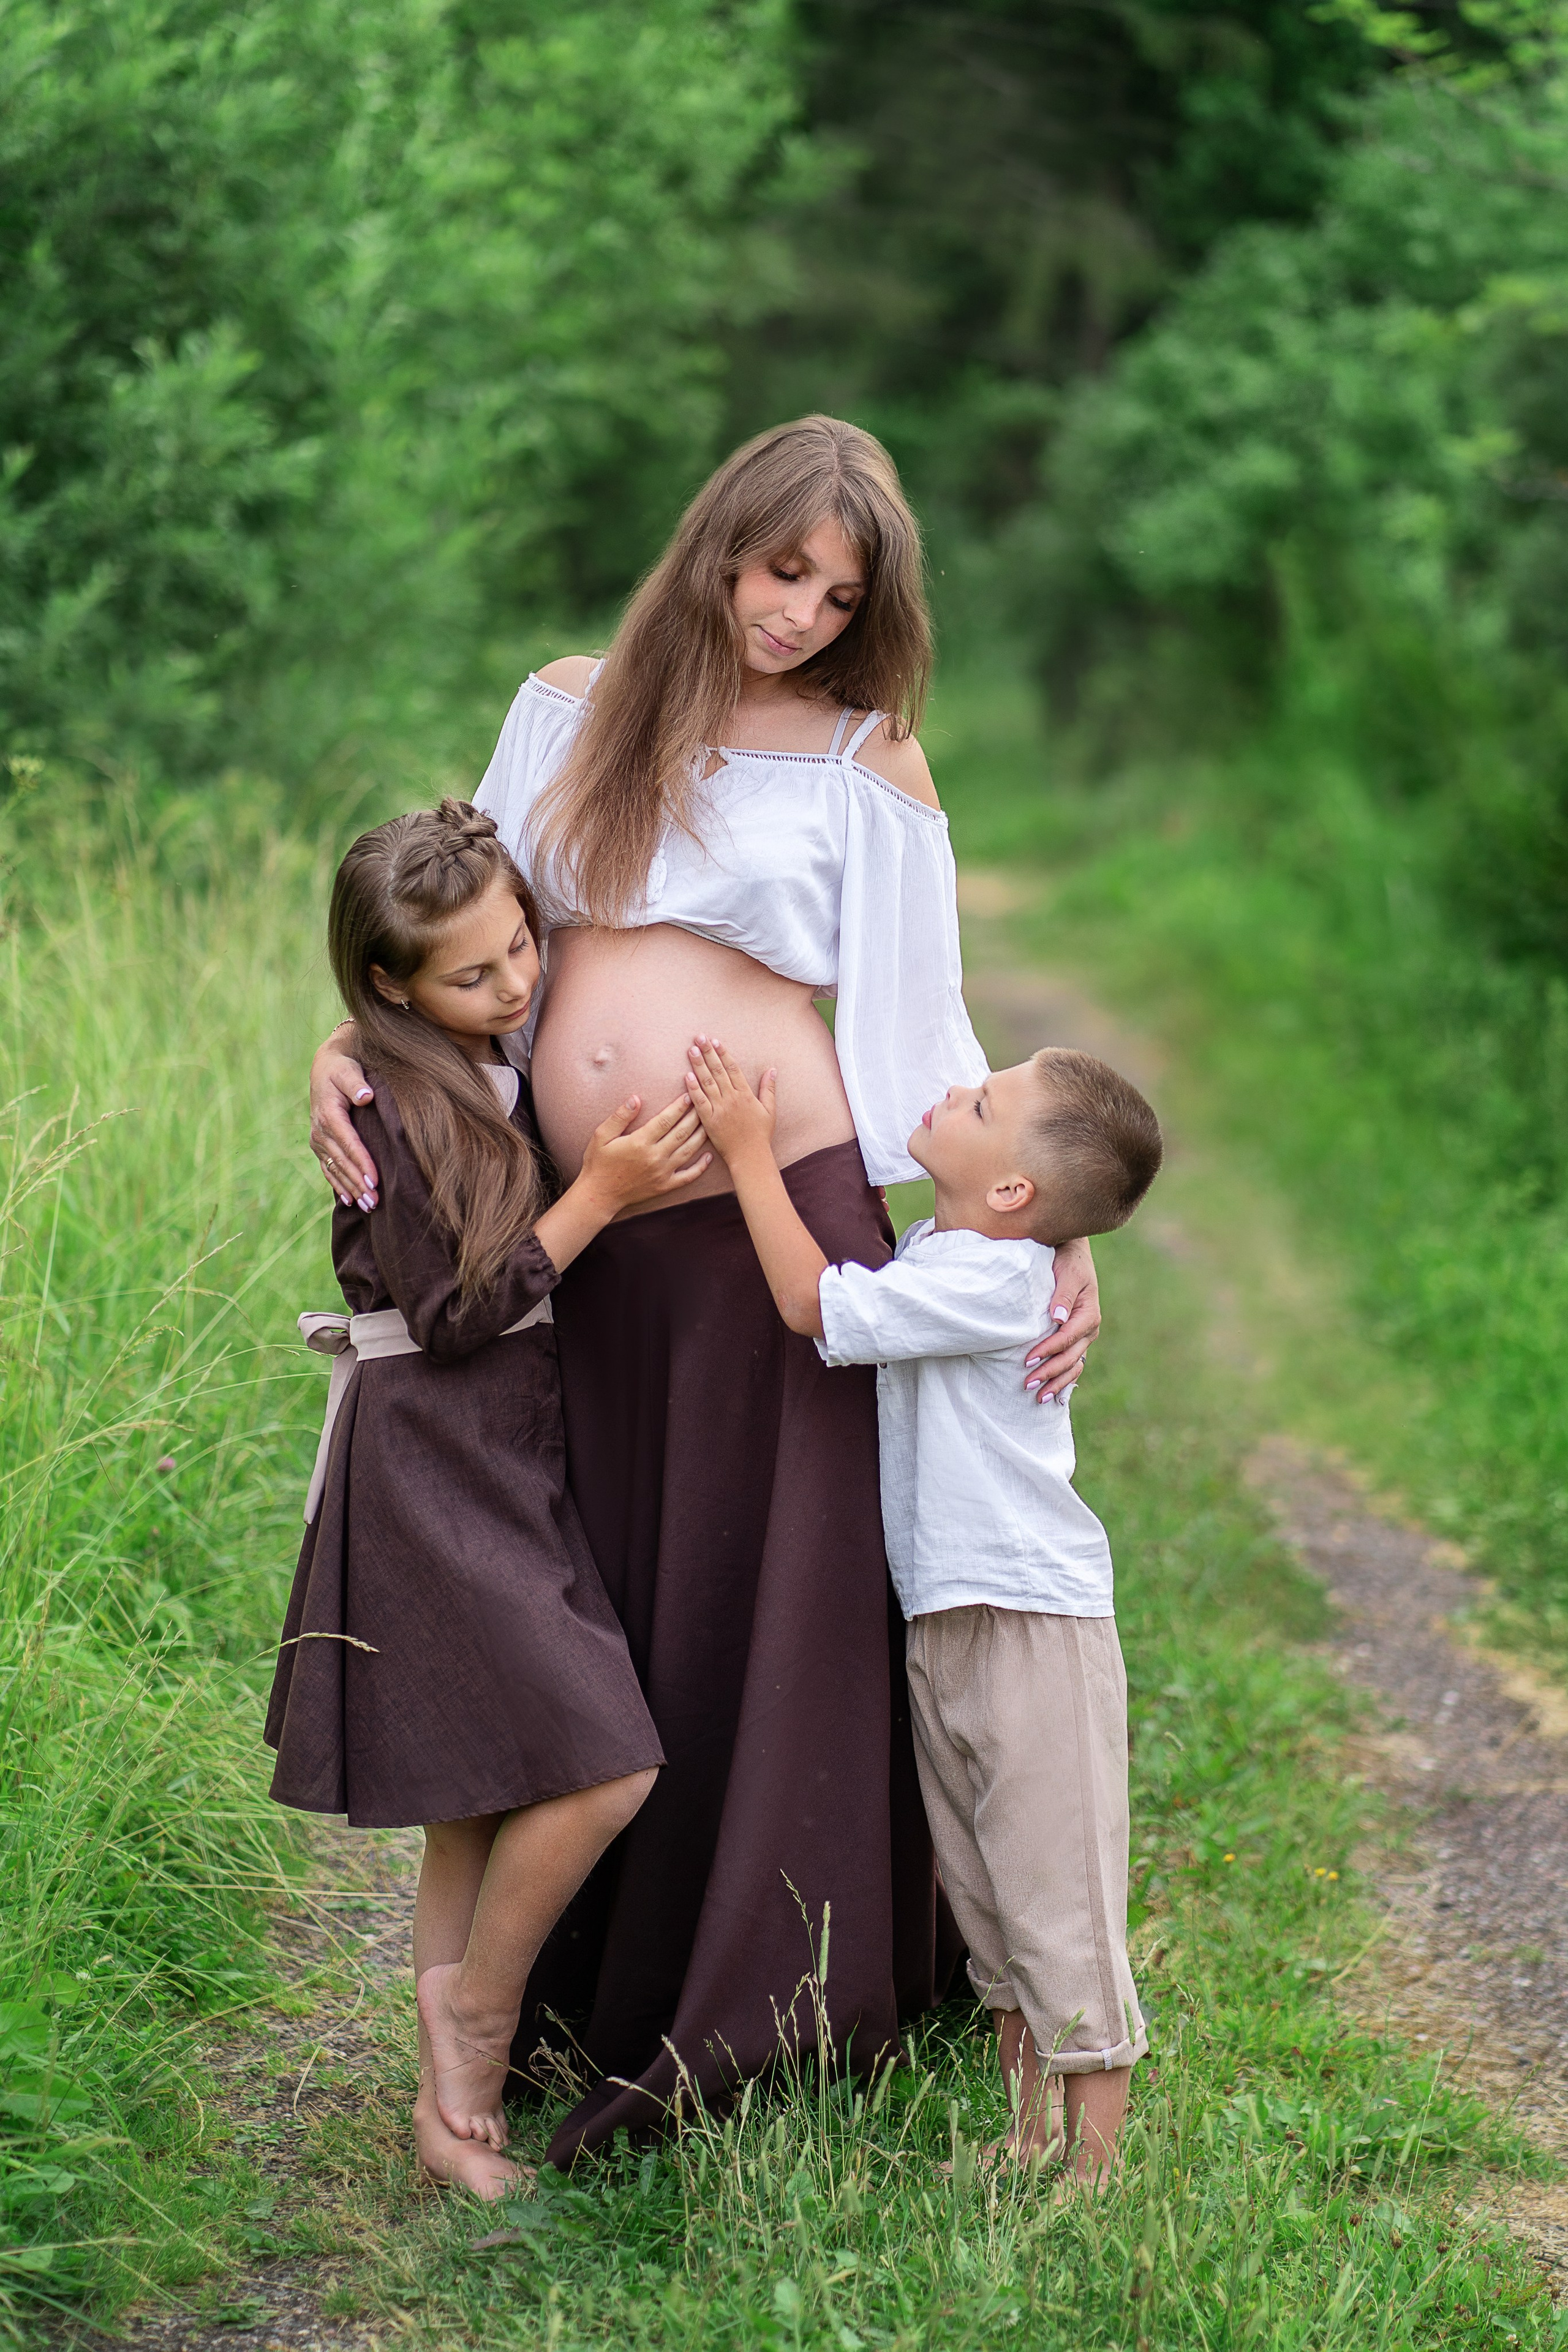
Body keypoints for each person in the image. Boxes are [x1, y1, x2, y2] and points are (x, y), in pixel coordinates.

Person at [304, 417, 1104, 2168]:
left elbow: (922, 1035)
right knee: (599, 1607)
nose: (804, 614)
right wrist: (342, 1051)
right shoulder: (566, 707)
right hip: (574, 1238)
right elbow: (461, 931)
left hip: (772, 1228)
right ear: (718, 543)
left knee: (766, 1604)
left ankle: (763, 1999)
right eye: (781, 569)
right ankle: (567, 1994)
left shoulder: (869, 763)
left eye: (843, 591)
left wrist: (1051, 1226)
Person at [267, 799, 714, 2199]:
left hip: (500, 1453)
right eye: (476, 975)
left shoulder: (453, 1050)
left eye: (521, 945)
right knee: (608, 1766)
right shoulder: (394, 1110)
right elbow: (457, 1311)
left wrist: (355, 1036)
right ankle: (476, 2019)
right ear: (391, 987)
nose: (517, 986)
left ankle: (444, 2118)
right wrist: (608, 1197)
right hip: (430, 1459)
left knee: (474, 1798)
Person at [681, 1033, 1161, 2187]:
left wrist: (751, 1151)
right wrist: (1076, 1233)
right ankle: (1023, 2131)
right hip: (950, 1613)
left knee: (1059, 1889)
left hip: (1027, 1620)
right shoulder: (956, 1247)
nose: (950, 1085)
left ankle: (1092, 2176)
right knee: (988, 1887)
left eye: (980, 1097)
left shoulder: (986, 1279)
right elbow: (995, 1225)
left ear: (1012, 1191)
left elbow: (811, 1304)